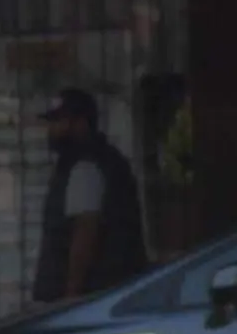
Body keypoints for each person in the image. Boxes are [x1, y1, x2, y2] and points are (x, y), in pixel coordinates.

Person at [31, 87, 149, 305]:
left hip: (90, 298)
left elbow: (85, 233)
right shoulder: (98, 159)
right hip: (109, 295)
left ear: (80, 123)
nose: (51, 130)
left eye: (58, 122)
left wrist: (71, 296)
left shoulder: (86, 166)